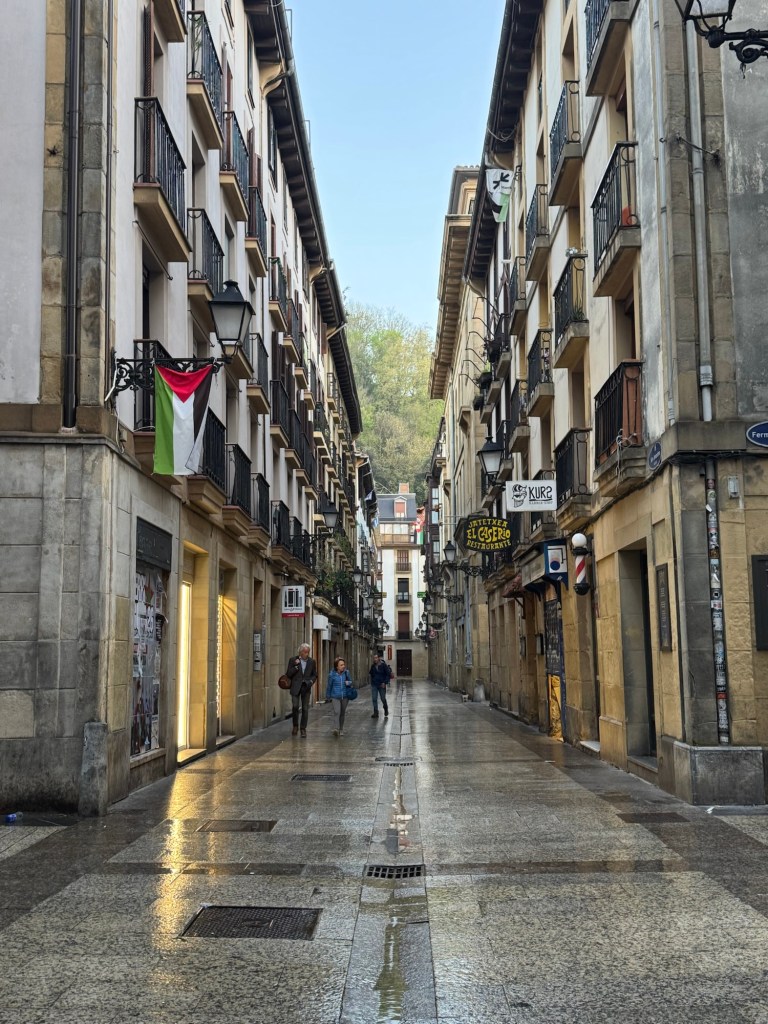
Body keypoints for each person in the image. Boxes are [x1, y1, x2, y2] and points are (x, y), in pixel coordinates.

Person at [285, 642, 317, 738]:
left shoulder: (312, 662)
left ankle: (303, 728)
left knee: (305, 708)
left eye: (308, 652)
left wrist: (311, 681)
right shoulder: (293, 660)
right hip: (295, 687)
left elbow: (314, 675)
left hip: (306, 687)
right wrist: (295, 667)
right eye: (305, 652)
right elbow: (288, 674)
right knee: (295, 706)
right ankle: (295, 726)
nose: (307, 654)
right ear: (300, 652)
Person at [326, 656, 352, 737]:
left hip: (345, 696)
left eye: (343, 664)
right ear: (337, 666)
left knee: (342, 713)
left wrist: (348, 683)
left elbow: (350, 682)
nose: (343, 666)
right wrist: (328, 696)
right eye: (341, 665)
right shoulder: (332, 675)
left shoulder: (346, 673)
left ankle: (341, 729)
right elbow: (329, 686)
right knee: (337, 711)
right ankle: (336, 729)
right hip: (335, 696)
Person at [369, 654, 391, 719]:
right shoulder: (373, 666)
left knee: (383, 698)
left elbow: (388, 674)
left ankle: (385, 708)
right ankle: (376, 712)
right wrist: (372, 681)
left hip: (382, 685)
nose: (375, 659)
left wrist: (385, 682)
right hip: (374, 685)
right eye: (374, 658)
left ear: (379, 658)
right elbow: (371, 674)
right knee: (374, 699)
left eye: (376, 658)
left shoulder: (383, 665)